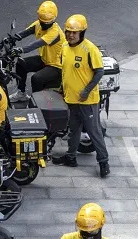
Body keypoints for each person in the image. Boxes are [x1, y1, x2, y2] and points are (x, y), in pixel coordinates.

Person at [51, 14, 110, 177]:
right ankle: (71, 157)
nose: (70, 35)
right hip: (71, 99)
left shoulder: (90, 49)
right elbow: (66, 71)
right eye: (68, 31)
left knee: (94, 131)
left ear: (82, 33)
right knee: (73, 129)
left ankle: (104, 162)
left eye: (74, 32)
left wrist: (86, 91)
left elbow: (99, 72)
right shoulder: (64, 47)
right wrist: (62, 88)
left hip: (87, 101)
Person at [10, 1, 64, 97]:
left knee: (36, 78)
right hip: (45, 60)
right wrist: (14, 37)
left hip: (56, 66)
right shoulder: (39, 23)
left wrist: (20, 49)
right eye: (42, 21)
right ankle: (21, 93)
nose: (43, 25)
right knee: (21, 63)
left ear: (53, 20)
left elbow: (36, 44)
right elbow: (27, 31)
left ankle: (36, 101)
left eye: (47, 23)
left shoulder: (55, 33)